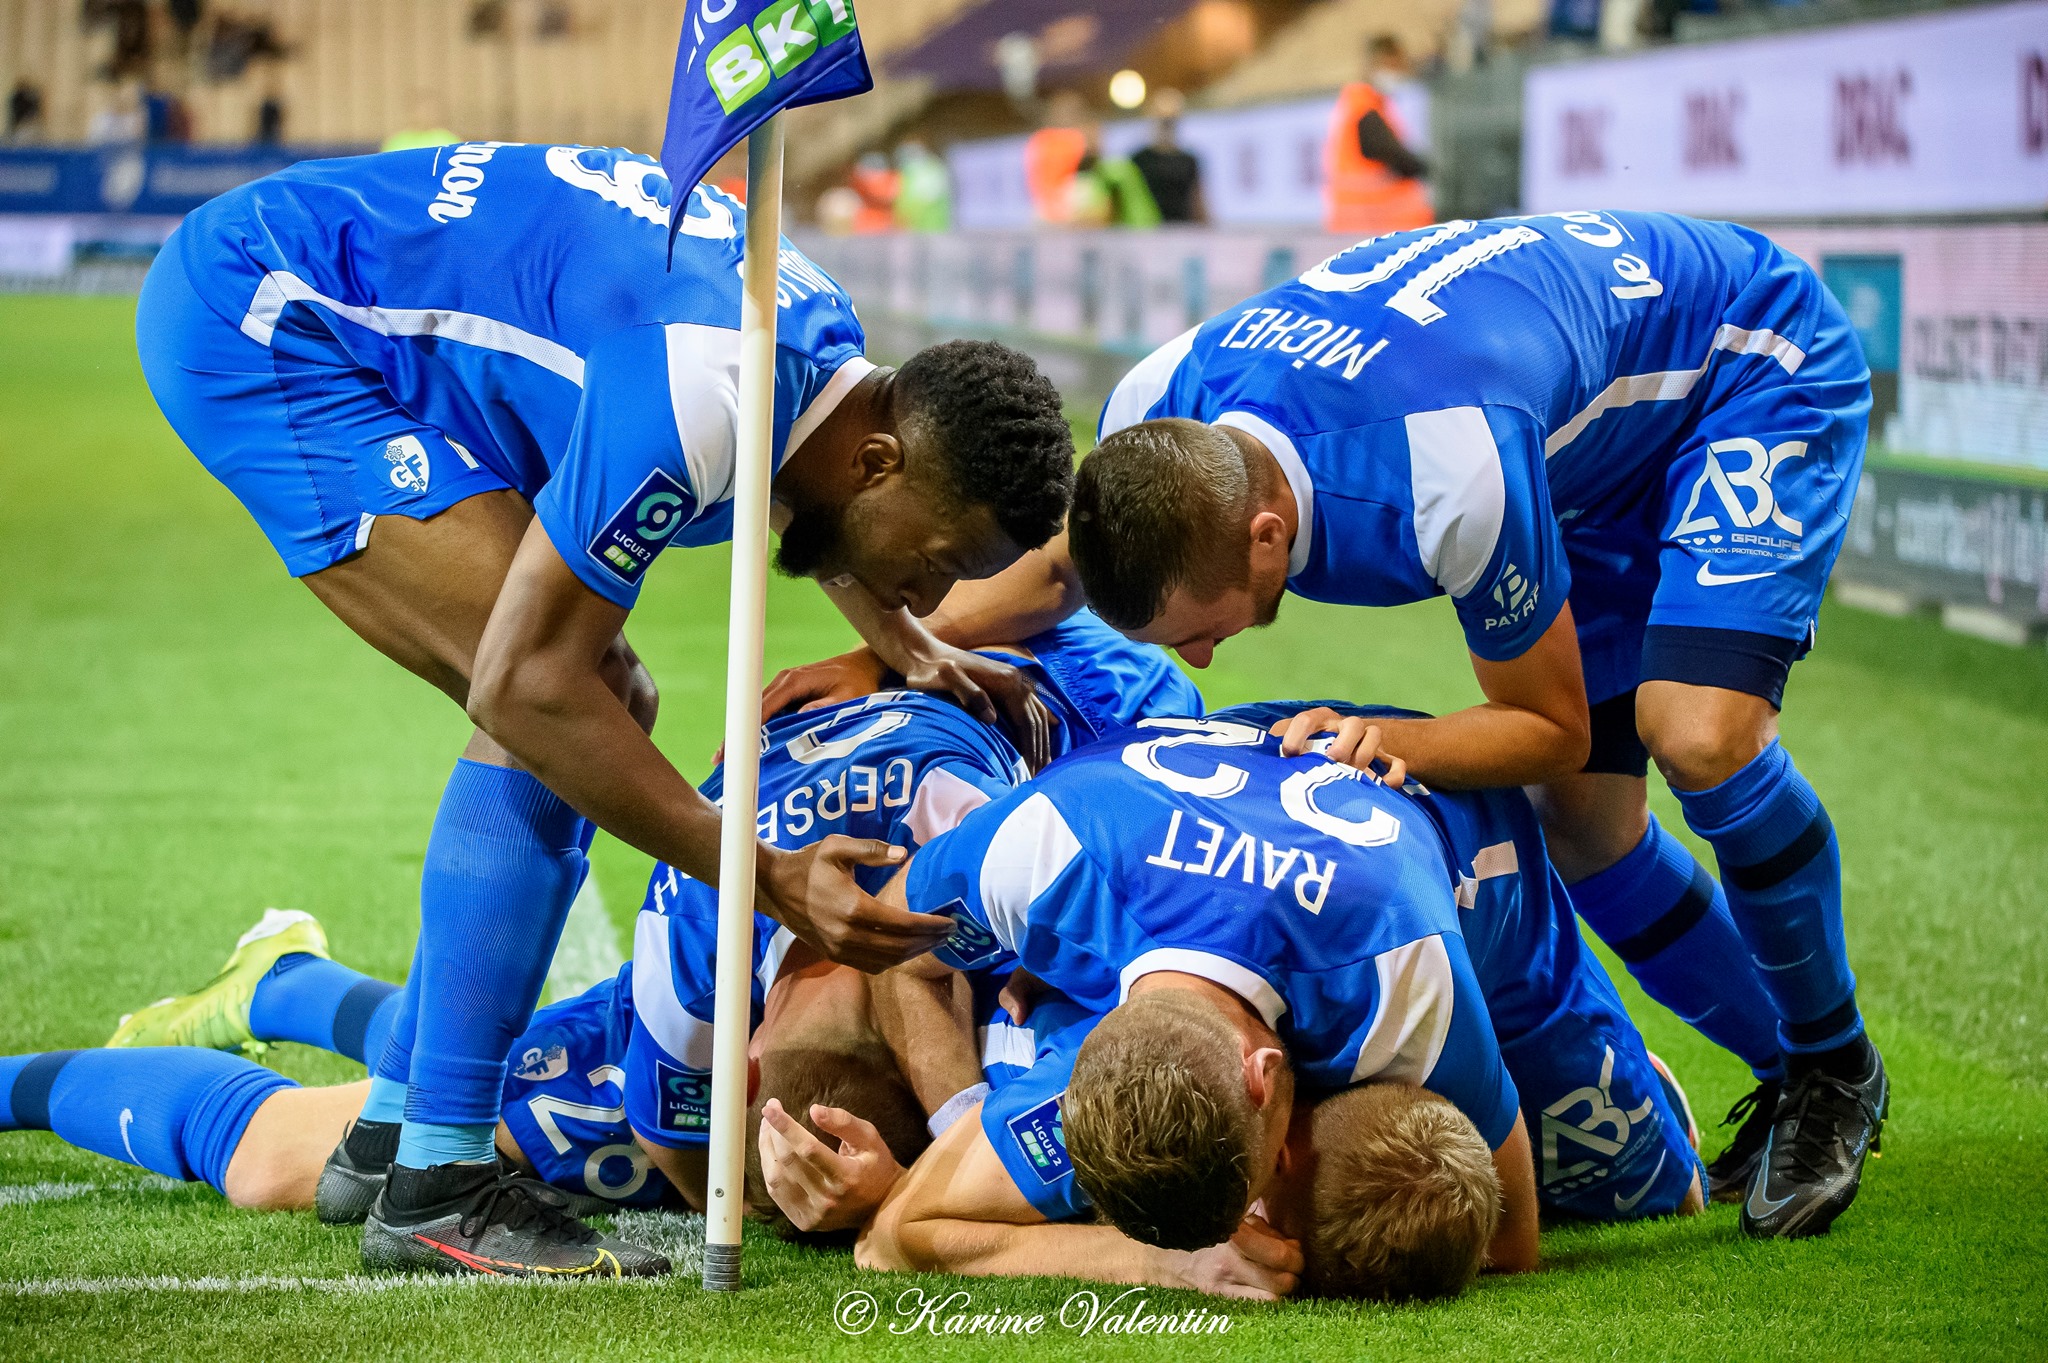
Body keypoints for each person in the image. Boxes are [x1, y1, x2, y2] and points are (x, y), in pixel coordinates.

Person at [133, 141, 1075, 1274]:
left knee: (592, 691)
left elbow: (805, 486)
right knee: (562, 701)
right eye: (934, 563)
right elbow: (523, 687)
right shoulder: (702, 394)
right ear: (882, 459)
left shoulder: (819, 356)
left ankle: (392, 1125)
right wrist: (758, 872)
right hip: (274, 319)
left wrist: (898, 635)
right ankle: (435, 1176)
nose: (932, 591)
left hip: (359, 307)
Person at [903, 208, 1870, 1241]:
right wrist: (903, 654)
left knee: (1696, 735)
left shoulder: (1443, 476)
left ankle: (1830, 1064)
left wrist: (1391, 737)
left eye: (1201, 630)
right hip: (1572, 446)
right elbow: (1061, 572)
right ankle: (1782, 1067)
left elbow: (1549, 730)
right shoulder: (1158, 414)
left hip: (1738, 365)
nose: (1196, 660)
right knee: (1589, 832)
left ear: (1266, 536)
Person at [893, 713, 1715, 1271]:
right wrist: (1162, 1264)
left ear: (1264, 1072)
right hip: (1177, 790)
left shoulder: (1403, 978)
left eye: (1261, 1174)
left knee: (1652, 1191)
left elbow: (1511, 1245)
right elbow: (894, 943)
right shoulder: (1029, 853)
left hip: (1462, 845)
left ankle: (1636, 1076)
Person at [1323, 35, 1432, 236]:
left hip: (1361, 226)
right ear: (1373, 65)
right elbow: (1391, 153)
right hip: (1373, 226)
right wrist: (1426, 167)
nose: (1398, 72)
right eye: (1393, 65)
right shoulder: (1364, 107)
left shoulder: (1359, 103)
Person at [1129, 90, 1206, 226]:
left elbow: (1197, 200)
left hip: (1183, 230)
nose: (1167, 124)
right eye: (1163, 119)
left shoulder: (1188, 160)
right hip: (1147, 232)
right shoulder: (1138, 159)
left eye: (1171, 119)